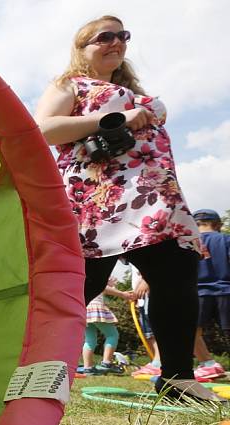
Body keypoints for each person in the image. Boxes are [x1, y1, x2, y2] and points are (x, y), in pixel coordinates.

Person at [34, 15, 224, 402]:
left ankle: (177, 377)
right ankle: (37, 368)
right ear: (82, 46)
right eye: (104, 36)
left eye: (122, 36)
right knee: (79, 284)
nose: (116, 42)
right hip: (97, 197)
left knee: (177, 273)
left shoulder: (134, 90)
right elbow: (43, 129)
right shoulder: (70, 84)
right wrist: (110, 117)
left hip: (153, 196)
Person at [191, 209, 229, 381]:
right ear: (218, 225)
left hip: (198, 292)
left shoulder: (190, 241)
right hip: (226, 290)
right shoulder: (225, 239)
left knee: (191, 330)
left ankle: (207, 364)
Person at [79, 280, 135, 376]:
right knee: (112, 335)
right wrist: (122, 294)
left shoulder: (83, 276)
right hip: (95, 307)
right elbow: (103, 287)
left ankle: (88, 368)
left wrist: (110, 284)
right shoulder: (95, 276)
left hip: (84, 309)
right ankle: (107, 363)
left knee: (89, 339)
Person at [129, 266, 162, 377]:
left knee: (154, 327)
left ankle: (158, 363)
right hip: (142, 297)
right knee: (148, 332)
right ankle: (156, 361)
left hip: (150, 292)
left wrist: (145, 280)